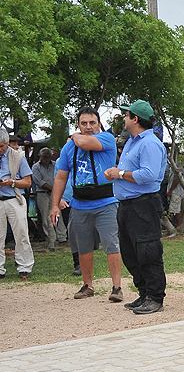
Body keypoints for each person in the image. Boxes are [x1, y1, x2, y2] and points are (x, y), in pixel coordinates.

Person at [100, 100, 168, 313]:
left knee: (148, 250)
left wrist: (119, 174)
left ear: (135, 119)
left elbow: (149, 175)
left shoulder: (149, 143)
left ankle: (155, 297)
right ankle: (144, 292)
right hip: (128, 206)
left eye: (126, 115)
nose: (123, 119)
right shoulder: (132, 141)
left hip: (143, 205)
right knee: (130, 252)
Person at [51, 107, 123, 301]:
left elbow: (84, 142)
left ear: (99, 123)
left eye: (92, 122)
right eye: (84, 123)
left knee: (111, 244)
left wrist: (75, 136)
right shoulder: (68, 148)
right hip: (80, 203)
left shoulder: (106, 138)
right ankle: (87, 285)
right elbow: (60, 177)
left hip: (106, 201)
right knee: (83, 248)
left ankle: (117, 287)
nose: (88, 126)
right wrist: (55, 205)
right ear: (78, 124)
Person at [0, 128, 34, 280]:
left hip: (14, 198)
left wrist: (12, 182)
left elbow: (27, 182)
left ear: (7, 143)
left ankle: (24, 266)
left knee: (21, 233)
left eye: (1, 146)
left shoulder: (18, 157)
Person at [32, 147, 67, 251]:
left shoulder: (55, 165)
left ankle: (62, 237)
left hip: (54, 192)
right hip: (42, 193)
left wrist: (57, 189)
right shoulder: (36, 167)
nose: (46, 159)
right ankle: (51, 239)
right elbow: (39, 181)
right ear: (40, 157)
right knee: (46, 216)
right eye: (44, 157)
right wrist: (54, 188)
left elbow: (59, 177)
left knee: (57, 213)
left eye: (48, 157)